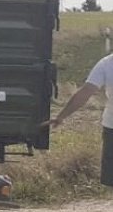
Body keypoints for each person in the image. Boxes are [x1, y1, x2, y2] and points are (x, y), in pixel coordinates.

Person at [44, 53, 113, 187]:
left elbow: (85, 92)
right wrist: (61, 116)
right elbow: (86, 92)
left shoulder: (107, 63)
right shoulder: (107, 63)